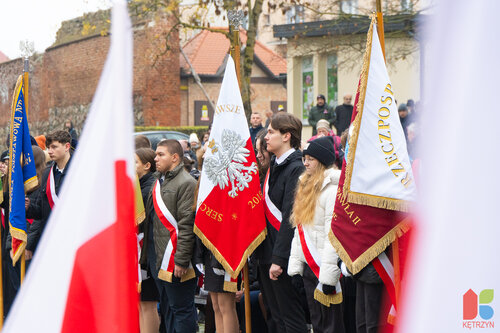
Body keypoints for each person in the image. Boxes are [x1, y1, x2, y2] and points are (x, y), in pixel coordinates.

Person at [255, 112, 308, 333]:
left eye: (271, 132)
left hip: (283, 257)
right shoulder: (275, 165)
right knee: (275, 316)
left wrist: (279, 258)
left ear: (286, 136)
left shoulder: (296, 168)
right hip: (268, 253)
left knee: (290, 318)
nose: (266, 137)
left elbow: (289, 217)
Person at [288, 136, 345, 333]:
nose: (305, 163)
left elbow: (333, 235)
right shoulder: (305, 186)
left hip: (325, 267)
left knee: (331, 326)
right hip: (310, 268)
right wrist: (295, 267)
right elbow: (300, 230)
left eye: (311, 159)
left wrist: (328, 278)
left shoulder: (332, 190)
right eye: (305, 158)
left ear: (322, 161)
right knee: (317, 323)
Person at [146, 139, 198, 333]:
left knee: (182, 310)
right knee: (168, 310)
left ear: (175, 158)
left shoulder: (186, 183)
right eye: (156, 154)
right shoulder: (161, 180)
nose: (155, 158)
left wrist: (181, 260)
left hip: (176, 260)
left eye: (161, 155)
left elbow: (186, 225)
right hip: (160, 258)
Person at [26, 130, 72, 244]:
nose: (49, 151)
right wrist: (29, 207)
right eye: (48, 148)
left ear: (67, 146)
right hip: (50, 238)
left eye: (54, 147)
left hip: (71, 234)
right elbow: (42, 210)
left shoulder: (78, 170)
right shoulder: (47, 173)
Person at [136, 148, 161, 333]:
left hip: (146, 251)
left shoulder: (149, 187)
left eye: (134, 162)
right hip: (138, 252)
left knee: (147, 303)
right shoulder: (138, 184)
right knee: (140, 303)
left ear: (146, 165)